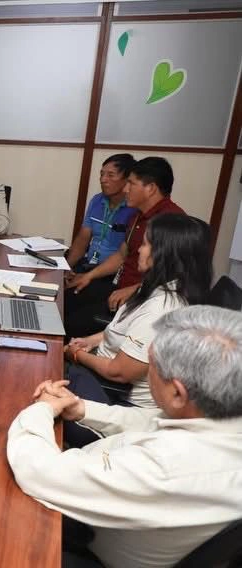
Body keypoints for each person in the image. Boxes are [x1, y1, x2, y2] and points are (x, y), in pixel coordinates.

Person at [8, 305, 242, 568]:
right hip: (101, 497)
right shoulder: (217, 415)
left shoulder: (169, 467)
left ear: (177, 393)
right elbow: (150, 421)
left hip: (85, 540)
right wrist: (80, 408)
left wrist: (42, 409)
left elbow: (38, 471)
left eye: (151, 365)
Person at [64, 214, 211, 446]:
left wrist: (76, 354)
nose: (139, 250)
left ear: (163, 254)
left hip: (116, 399)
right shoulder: (156, 286)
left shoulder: (163, 308)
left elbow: (119, 372)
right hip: (102, 377)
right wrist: (90, 341)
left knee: (38, 380)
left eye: (145, 244)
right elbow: (123, 329)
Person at [64, 157, 185, 339]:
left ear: (151, 188)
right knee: (65, 298)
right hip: (119, 287)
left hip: (141, 301)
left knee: (70, 323)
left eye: (131, 183)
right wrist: (89, 276)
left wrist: (135, 290)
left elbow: (176, 278)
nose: (126, 189)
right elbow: (122, 254)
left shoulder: (172, 222)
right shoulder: (138, 215)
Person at [64, 153, 138, 273]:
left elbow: (125, 256)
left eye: (110, 175)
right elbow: (82, 240)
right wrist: (66, 269)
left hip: (113, 273)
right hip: (89, 265)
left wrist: (89, 277)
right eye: (102, 174)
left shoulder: (134, 209)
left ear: (127, 179)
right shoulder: (97, 200)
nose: (103, 180)